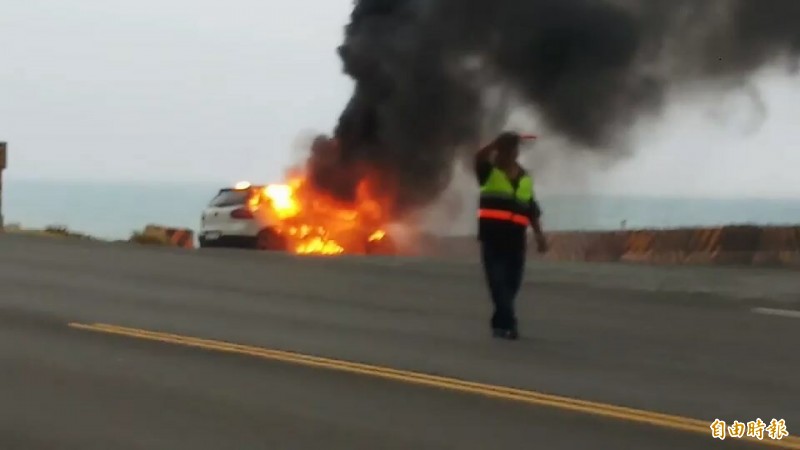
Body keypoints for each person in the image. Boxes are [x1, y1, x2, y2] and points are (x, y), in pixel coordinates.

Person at [474, 131, 547, 340]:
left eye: (513, 149)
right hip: (492, 238)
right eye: (507, 149)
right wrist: (494, 144)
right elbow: (478, 157)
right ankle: (509, 324)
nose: (511, 153)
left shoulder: (525, 178)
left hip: (516, 240)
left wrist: (540, 236)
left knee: (512, 283)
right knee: (497, 282)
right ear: (500, 151)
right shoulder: (488, 172)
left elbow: (531, 208)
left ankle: (499, 322)